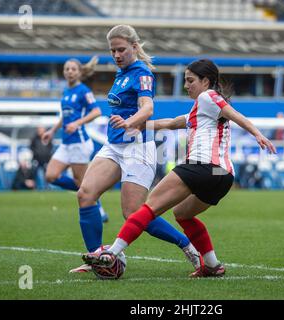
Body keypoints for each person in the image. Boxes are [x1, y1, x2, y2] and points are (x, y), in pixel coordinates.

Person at [84, 59, 276, 277]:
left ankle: (111, 253)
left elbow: (234, 114)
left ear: (206, 81)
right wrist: (135, 124)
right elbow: (172, 122)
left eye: (190, 80)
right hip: (222, 176)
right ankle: (212, 266)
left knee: (147, 208)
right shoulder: (202, 109)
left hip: (201, 166)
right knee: (183, 214)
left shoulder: (208, 96)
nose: (186, 85)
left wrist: (258, 134)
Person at [73, 25, 201, 273]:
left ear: (134, 46)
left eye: (121, 49)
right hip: (114, 145)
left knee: (133, 213)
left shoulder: (142, 73)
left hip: (137, 147)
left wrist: (130, 122)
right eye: (113, 51)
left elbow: (147, 109)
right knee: (85, 194)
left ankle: (188, 246)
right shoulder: (121, 73)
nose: (117, 55)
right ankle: (98, 256)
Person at [41, 56, 109, 270]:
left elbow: (97, 111)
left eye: (72, 69)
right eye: (66, 69)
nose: (69, 72)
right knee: (51, 176)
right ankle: (96, 203)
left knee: (83, 186)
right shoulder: (66, 91)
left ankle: (98, 208)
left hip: (79, 143)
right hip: (66, 143)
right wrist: (53, 131)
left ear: (79, 72)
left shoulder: (83, 91)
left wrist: (78, 123)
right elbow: (64, 116)